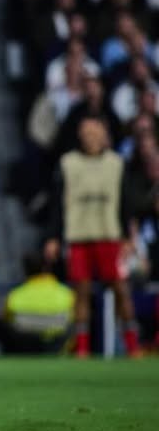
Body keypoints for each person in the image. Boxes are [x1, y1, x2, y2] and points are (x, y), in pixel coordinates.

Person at [45, 117, 141, 357]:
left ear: (104, 134)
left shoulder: (116, 163)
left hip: (109, 235)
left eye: (95, 131)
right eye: (86, 132)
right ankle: (82, 347)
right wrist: (53, 236)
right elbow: (57, 203)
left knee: (121, 290)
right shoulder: (68, 163)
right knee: (81, 292)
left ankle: (132, 345)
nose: (90, 137)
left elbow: (125, 203)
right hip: (79, 236)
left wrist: (129, 237)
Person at [0, 252, 74, 354]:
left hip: (23, 347)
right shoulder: (66, 294)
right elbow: (72, 320)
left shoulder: (15, 296)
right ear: (46, 268)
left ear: (25, 270)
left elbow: (8, 321)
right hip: (56, 347)